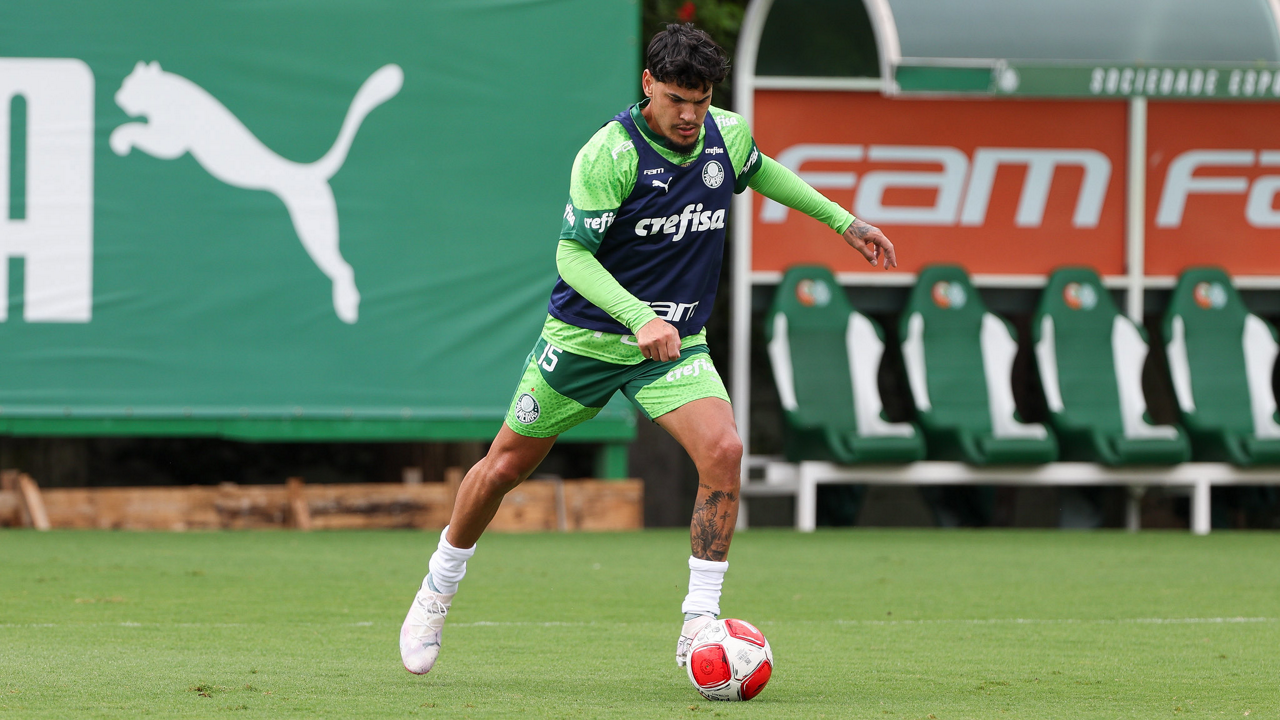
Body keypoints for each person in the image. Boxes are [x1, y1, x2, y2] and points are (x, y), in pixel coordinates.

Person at [400, 23, 896, 676]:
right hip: (585, 340)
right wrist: (637, 317)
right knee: (502, 468)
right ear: (648, 85)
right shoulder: (609, 154)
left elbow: (761, 170)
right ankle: (438, 588)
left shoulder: (726, 135)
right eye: (675, 100)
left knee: (724, 450)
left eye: (701, 100)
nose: (689, 116)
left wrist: (843, 220)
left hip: (675, 346)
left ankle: (699, 621)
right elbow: (571, 256)